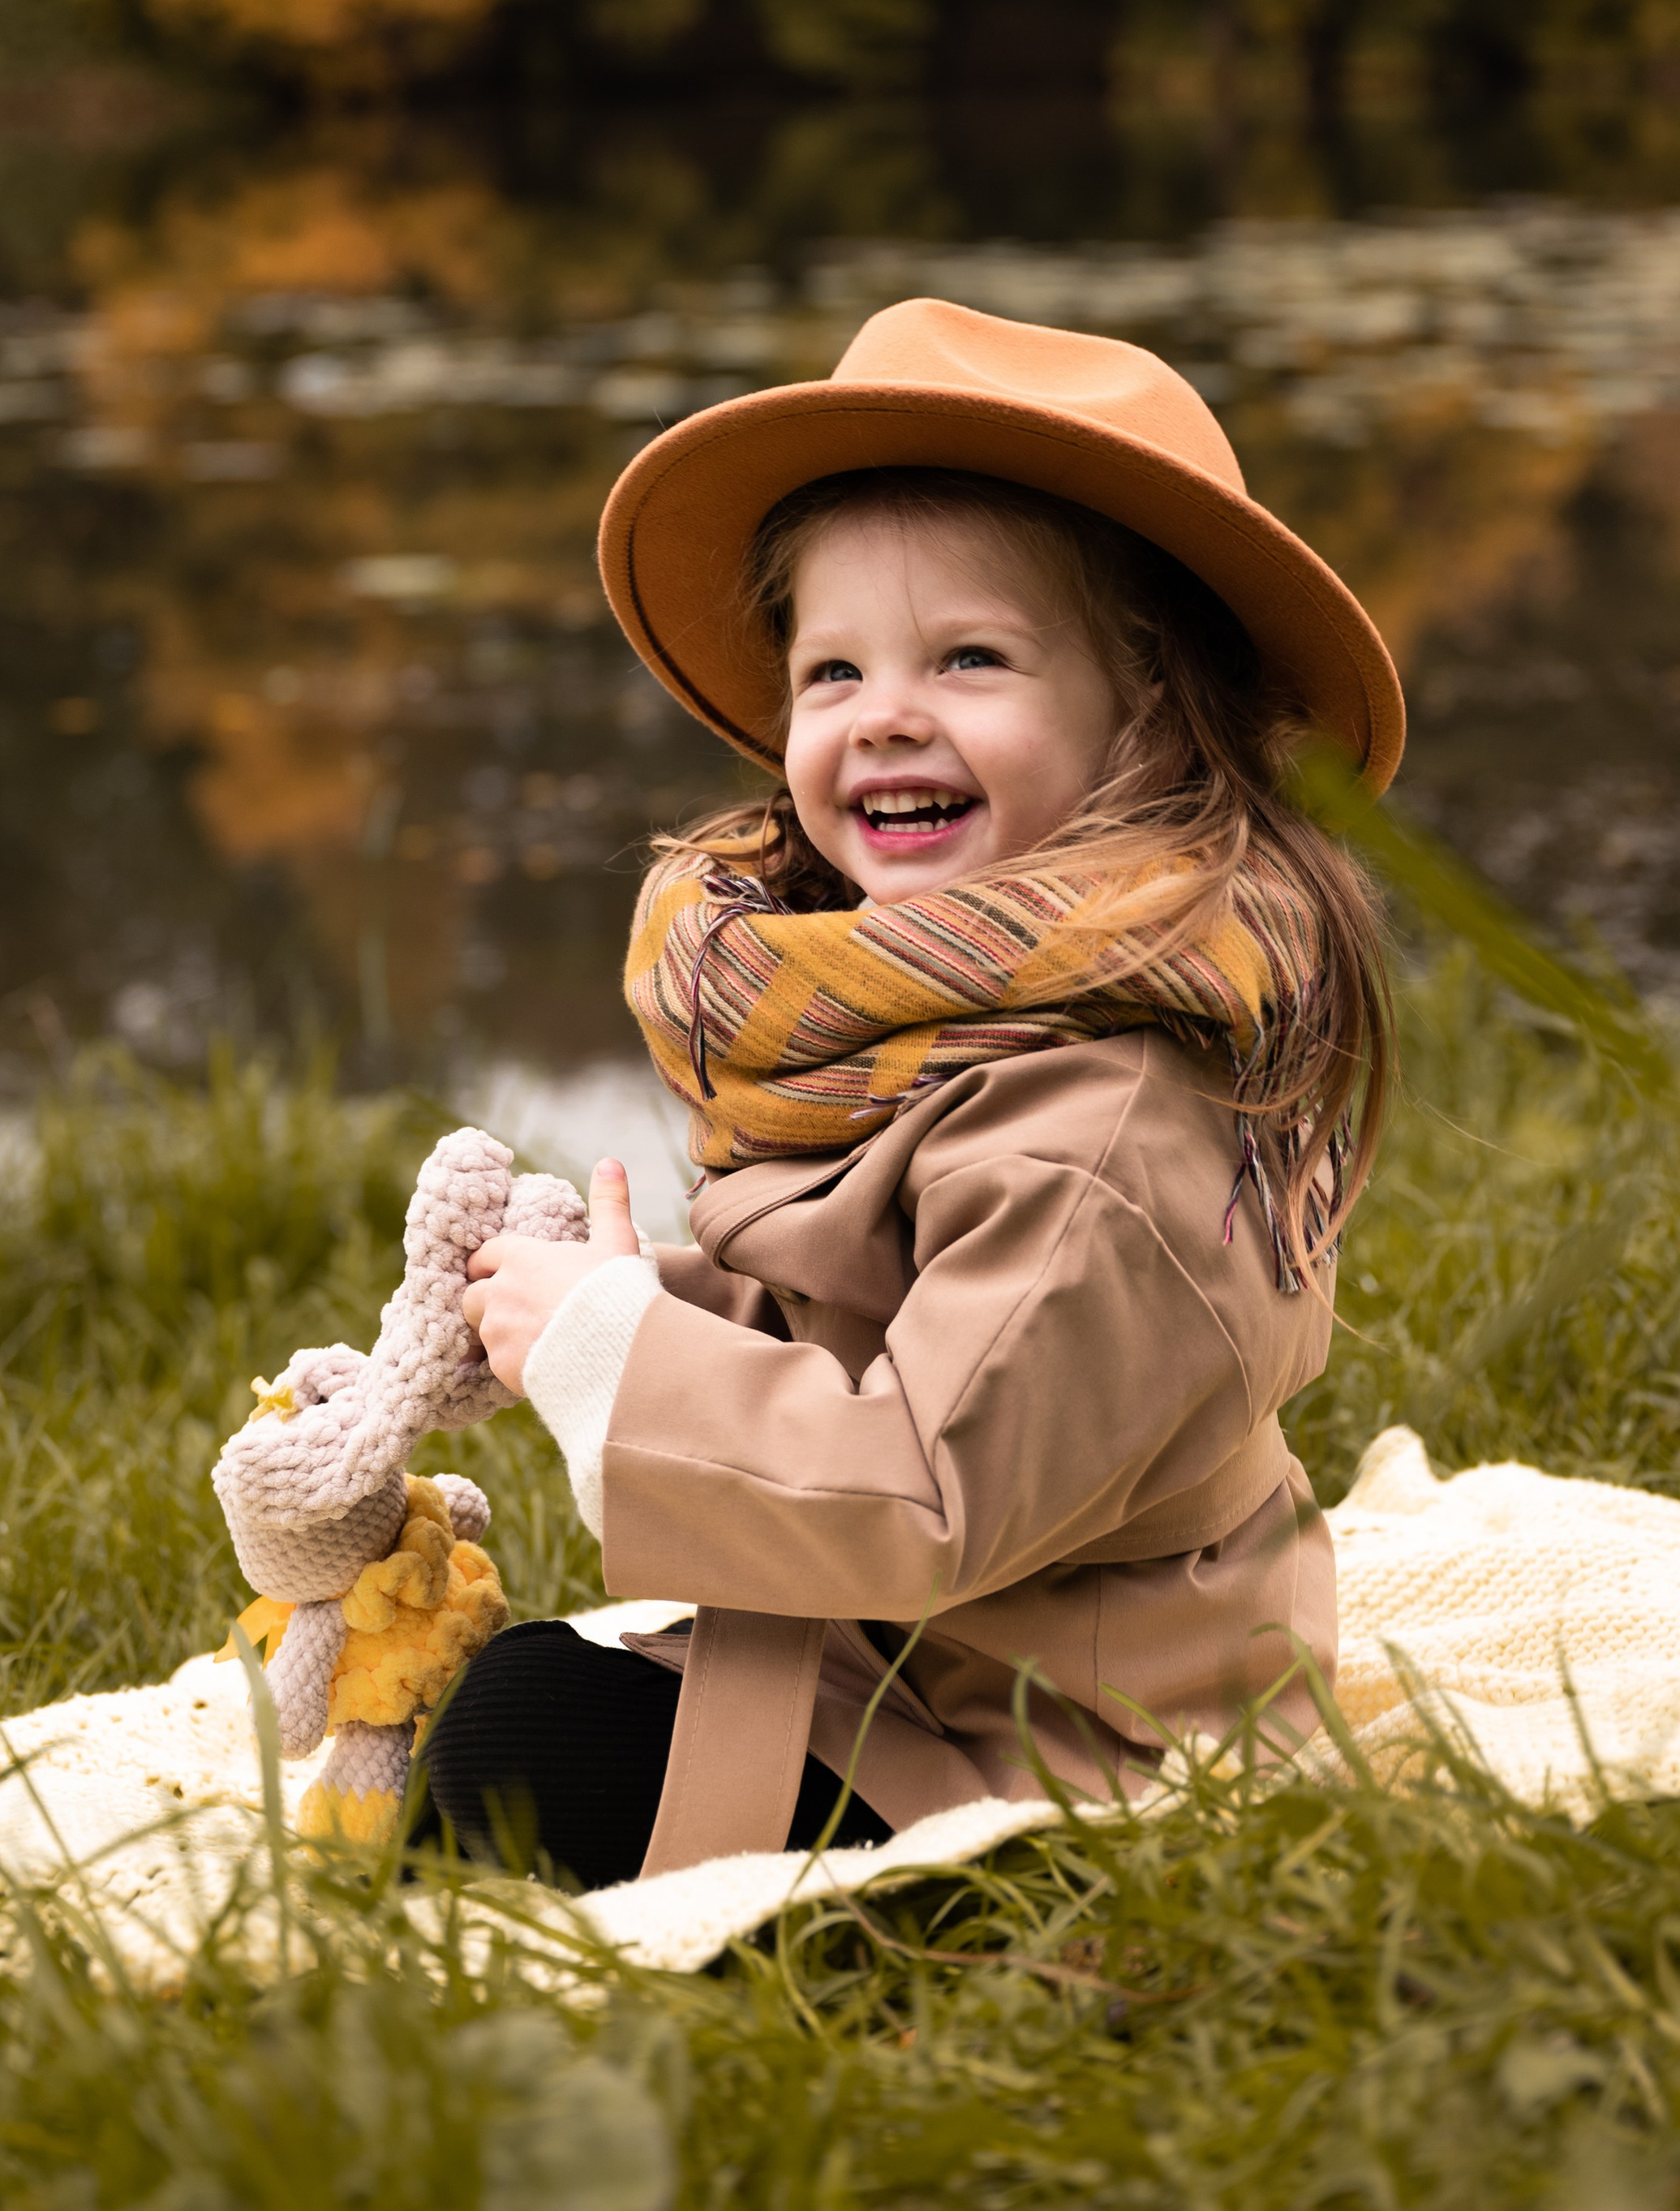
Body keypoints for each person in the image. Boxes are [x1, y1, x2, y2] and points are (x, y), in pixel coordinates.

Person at [427, 299, 1403, 1889]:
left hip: (1078, 1751)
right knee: (514, 1698)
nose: (882, 710)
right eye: (831, 667)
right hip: (924, 1658)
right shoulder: (943, 1009)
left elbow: (923, 1490)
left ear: (1146, 722)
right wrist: (621, 1303)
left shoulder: (1106, 1121)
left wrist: (620, 1359)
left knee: (515, 1734)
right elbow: (893, 1306)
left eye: (967, 656)